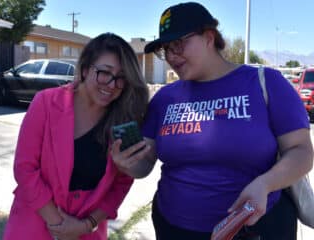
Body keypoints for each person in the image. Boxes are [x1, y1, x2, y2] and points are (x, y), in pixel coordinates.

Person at [111, 2, 313, 240]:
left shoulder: (267, 83)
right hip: (174, 228)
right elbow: (145, 164)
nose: (171, 56)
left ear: (209, 37)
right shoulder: (165, 97)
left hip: (254, 228)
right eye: (165, 49)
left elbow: (301, 152)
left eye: (178, 44)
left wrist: (266, 184)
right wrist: (127, 163)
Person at [3, 33, 149, 240]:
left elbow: (122, 183)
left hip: (86, 230)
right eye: (104, 72)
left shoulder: (123, 119)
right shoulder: (45, 103)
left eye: (121, 78)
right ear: (85, 69)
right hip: (35, 223)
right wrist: (59, 225)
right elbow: (25, 168)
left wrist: (86, 225)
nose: (111, 84)